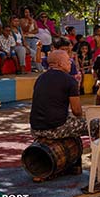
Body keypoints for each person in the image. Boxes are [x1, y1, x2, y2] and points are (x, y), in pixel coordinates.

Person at [29, 50, 86, 181]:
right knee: (94, 124)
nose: (70, 63)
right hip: (55, 128)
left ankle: (73, 165)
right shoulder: (70, 80)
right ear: (60, 64)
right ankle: (99, 163)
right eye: (68, 61)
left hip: (35, 128)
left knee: (72, 123)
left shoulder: (40, 78)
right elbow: (77, 111)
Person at [20, 7, 43, 72]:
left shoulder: (33, 20)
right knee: (31, 53)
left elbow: (37, 30)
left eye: (28, 12)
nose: (27, 14)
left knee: (36, 53)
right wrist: (29, 24)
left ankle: (36, 67)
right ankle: (35, 67)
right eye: (25, 12)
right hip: (26, 38)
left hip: (33, 38)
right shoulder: (21, 20)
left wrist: (30, 32)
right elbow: (25, 30)